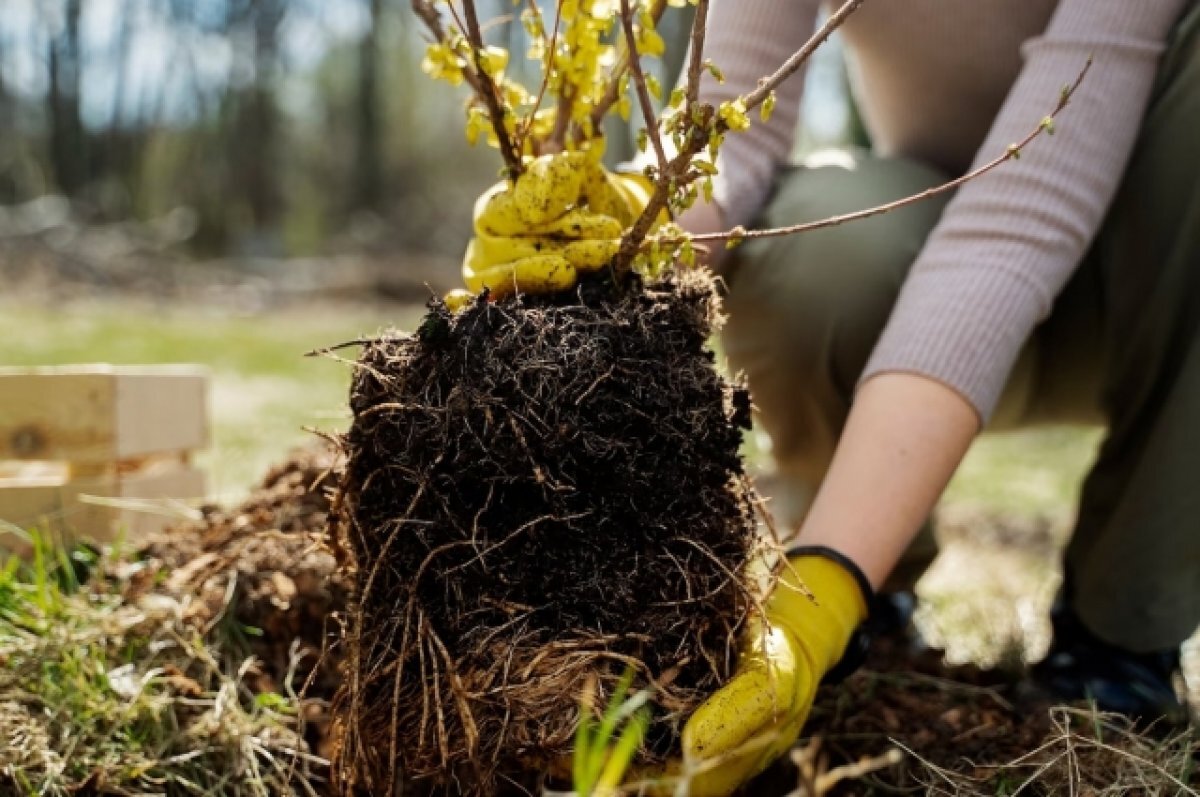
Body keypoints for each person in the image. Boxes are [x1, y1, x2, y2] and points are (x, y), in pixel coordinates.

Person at [461, 1, 1199, 793]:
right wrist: (630, 218)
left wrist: (820, 593)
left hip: (1161, 296)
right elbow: (728, 127)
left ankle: (1122, 635)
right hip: (933, 264)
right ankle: (877, 592)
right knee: (815, 242)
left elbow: (1018, 224)